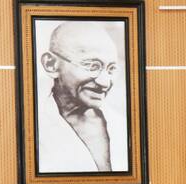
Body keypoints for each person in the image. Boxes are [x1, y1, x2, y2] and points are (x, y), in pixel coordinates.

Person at [37, 21, 128, 173]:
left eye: (111, 69)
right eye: (92, 66)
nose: (104, 83)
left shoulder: (122, 125)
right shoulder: (33, 127)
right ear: (51, 64)